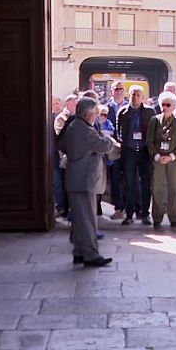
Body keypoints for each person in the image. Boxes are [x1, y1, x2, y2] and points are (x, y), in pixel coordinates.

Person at [57, 97, 119, 267]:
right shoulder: (86, 130)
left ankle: (79, 252)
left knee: (78, 219)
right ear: (88, 114)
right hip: (85, 180)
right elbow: (104, 146)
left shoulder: (72, 126)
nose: (96, 117)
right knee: (87, 220)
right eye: (95, 113)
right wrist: (108, 139)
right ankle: (91, 255)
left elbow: (62, 144)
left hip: (75, 179)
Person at [116, 85, 156, 225]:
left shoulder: (150, 112)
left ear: (143, 97)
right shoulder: (123, 112)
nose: (136, 97)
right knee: (130, 184)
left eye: (139, 95)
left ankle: (145, 214)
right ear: (129, 96)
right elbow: (118, 131)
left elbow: (155, 131)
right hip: (130, 151)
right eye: (133, 94)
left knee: (146, 184)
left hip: (145, 151)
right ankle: (129, 214)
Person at [147, 91, 176, 229]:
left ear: (174, 106)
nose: (165, 107)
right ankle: (157, 217)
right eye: (163, 104)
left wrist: (172, 156)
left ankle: (174, 217)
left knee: (174, 189)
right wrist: (157, 156)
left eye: (168, 105)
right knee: (157, 188)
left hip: (174, 161)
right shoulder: (155, 120)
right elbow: (149, 141)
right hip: (158, 159)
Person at [106, 81, 129, 220]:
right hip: (112, 149)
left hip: (127, 148)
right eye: (116, 89)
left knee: (129, 178)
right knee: (114, 179)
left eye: (121, 89)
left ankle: (130, 207)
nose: (119, 91)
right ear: (112, 91)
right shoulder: (106, 108)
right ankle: (118, 208)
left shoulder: (129, 107)